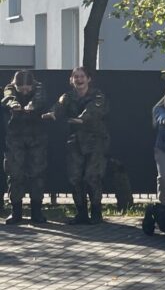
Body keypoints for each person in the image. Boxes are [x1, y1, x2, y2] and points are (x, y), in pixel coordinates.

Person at [43, 67, 109, 224]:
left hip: (95, 140)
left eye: (82, 76)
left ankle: (96, 213)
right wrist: (53, 113)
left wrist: (82, 118)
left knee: (92, 177)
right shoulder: (68, 96)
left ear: (88, 79)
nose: (79, 80)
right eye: (76, 77)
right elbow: (59, 105)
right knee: (75, 178)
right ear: (71, 80)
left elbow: (95, 108)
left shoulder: (97, 95)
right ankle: (81, 213)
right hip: (75, 141)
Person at [2, 70, 52, 224]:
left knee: (37, 174)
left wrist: (32, 106)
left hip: (36, 138)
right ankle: (16, 211)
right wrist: (14, 104)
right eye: (21, 88)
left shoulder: (39, 87)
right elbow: (8, 97)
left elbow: (39, 99)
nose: (24, 91)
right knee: (15, 174)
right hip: (15, 138)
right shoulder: (10, 88)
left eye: (27, 88)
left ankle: (36, 211)